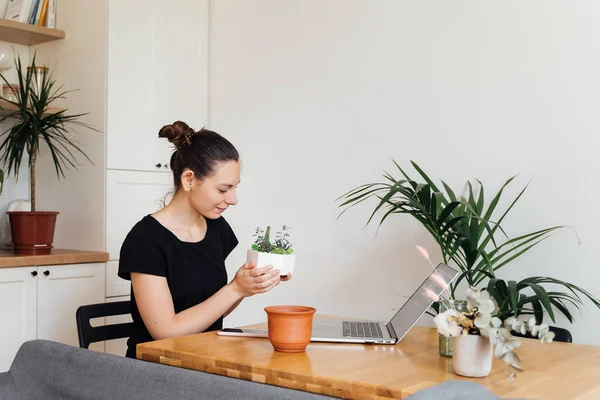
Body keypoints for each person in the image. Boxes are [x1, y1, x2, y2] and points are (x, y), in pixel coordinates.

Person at [117, 121, 291, 358]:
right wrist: (235, 288)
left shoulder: (216, 228)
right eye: (223, 189)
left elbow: (212, 311)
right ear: (189, 180)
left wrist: (247, 285)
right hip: (155, 369)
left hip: (205, 360)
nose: (233, 199)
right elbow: (166, 332)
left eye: (234, 188)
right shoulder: (145, 239)